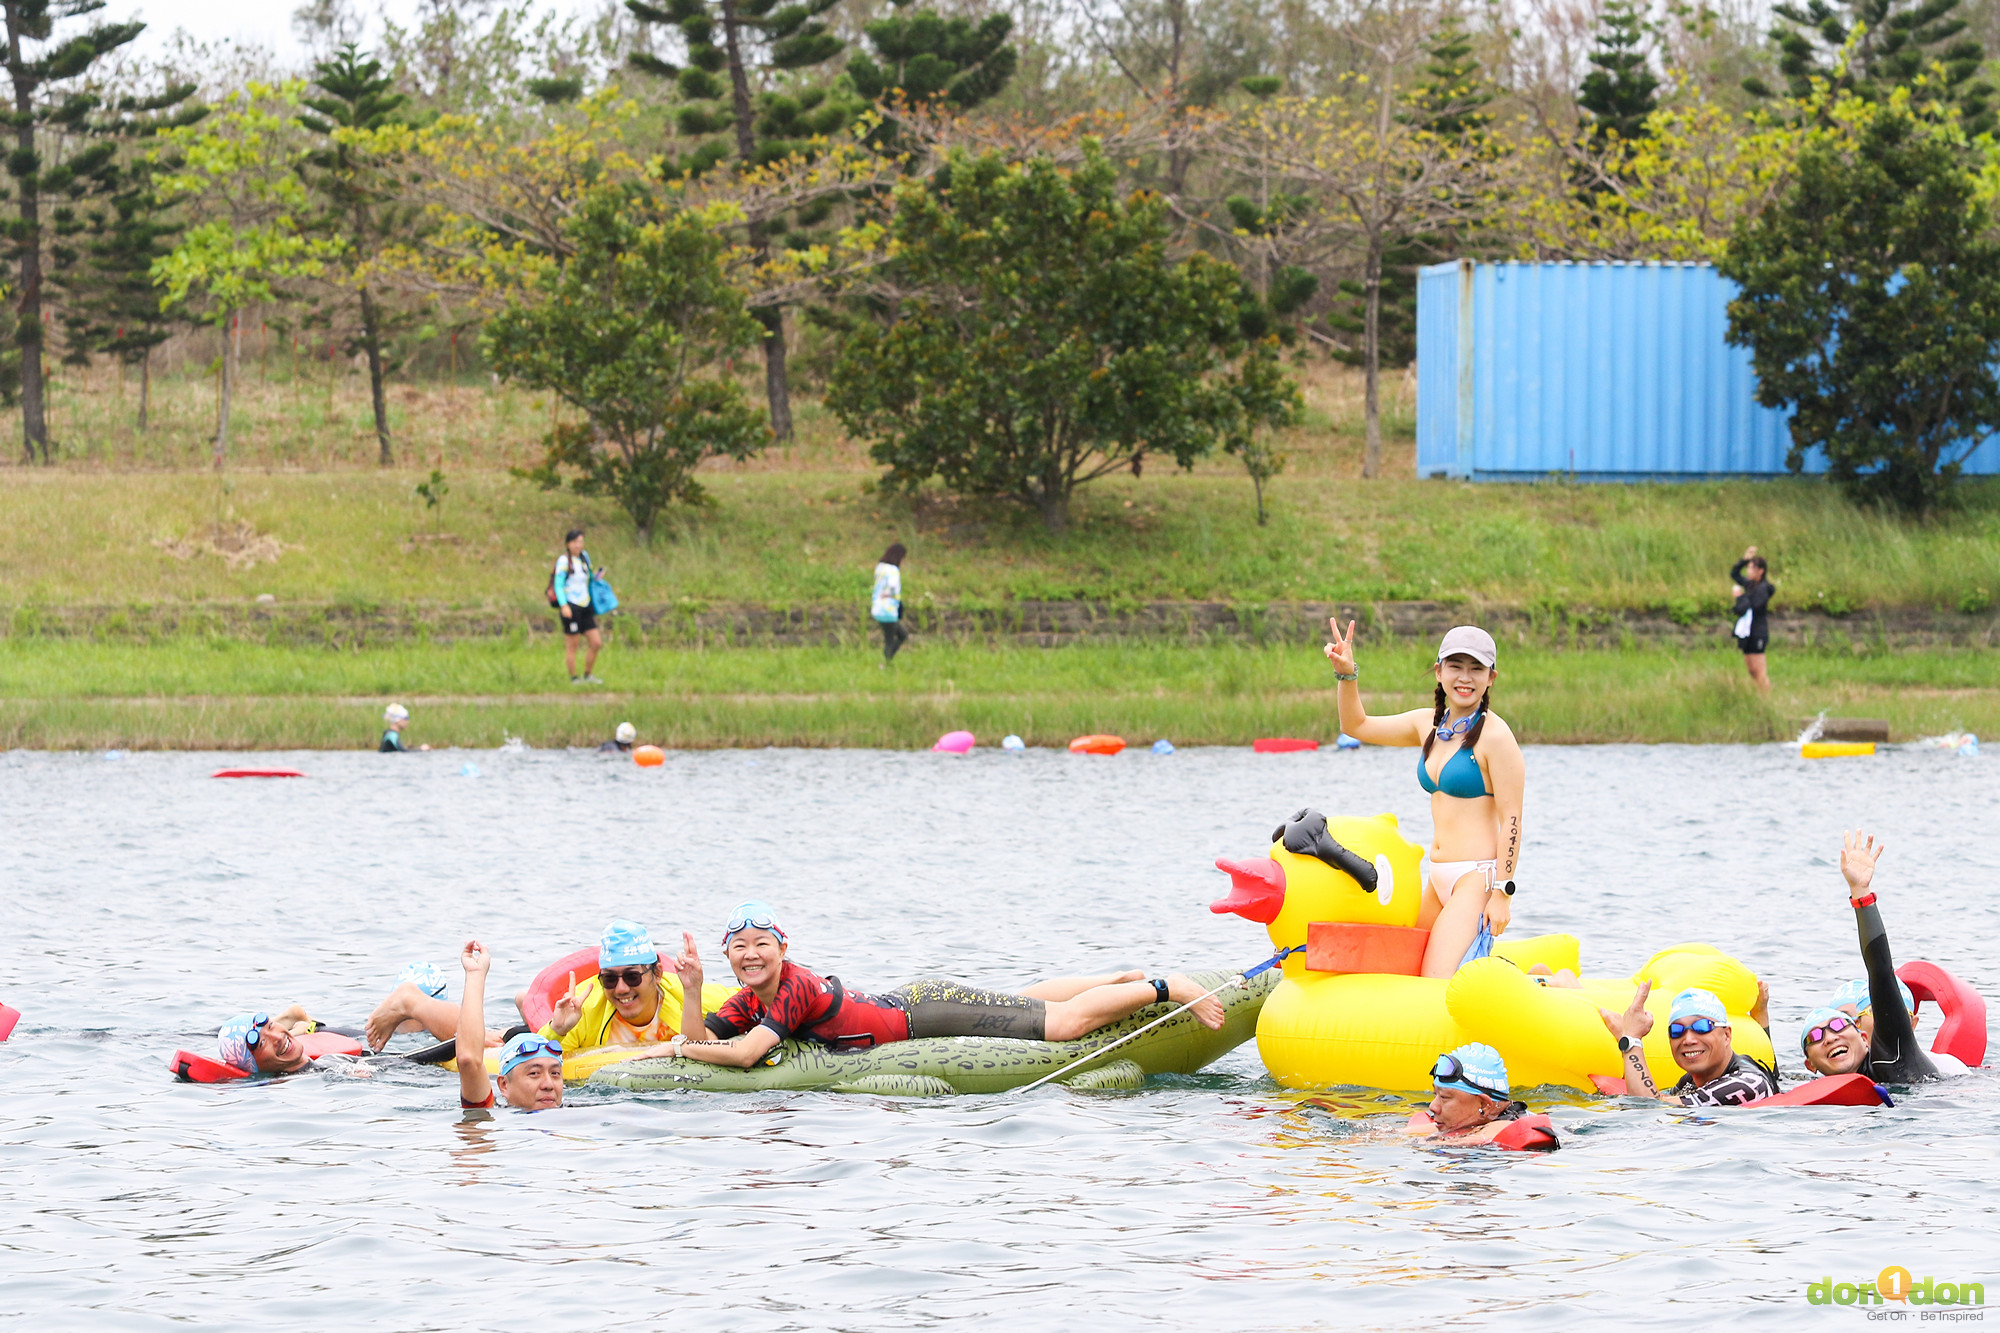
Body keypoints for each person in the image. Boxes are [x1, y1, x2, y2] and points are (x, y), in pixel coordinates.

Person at [658, 901, 1226, 1069]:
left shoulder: (792, 989)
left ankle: (1164, 986)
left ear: (784, 950)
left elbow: (748, 1053)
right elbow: (704, 1036)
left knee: (1062, 1025)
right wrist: (690, 990)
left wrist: (685, 1048)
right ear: (728, 959)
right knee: (1021, 999)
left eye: (763, 944)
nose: (751, 954)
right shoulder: (745, 998)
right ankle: (1114, 978)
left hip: (926, 1013)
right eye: (739, 948)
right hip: (912, 999)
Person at [1324, 622, 1526, 976]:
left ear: (1491, 677)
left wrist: (1502, 894)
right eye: (1456, 666)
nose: (1465, 677)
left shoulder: (1496, 736)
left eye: (1476, 668)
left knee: (1435, 978)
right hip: (1436, 879)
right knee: (1398, 966)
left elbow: (1512, 820)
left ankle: (1542, 988)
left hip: (1476, 878)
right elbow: (1355, 726)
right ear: (1439, 671)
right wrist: (1347, 675)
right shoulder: (1427, 725)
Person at [1799, 831, 1941, 1082]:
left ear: (1864, 1038)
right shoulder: (1816, 1092)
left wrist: (1860, 892)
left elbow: (1881, 972)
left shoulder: (1892, 1057)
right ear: (1810, 1065)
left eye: (1837, 1026)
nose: (1830, 1037)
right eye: (1815, 1037)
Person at [533, 919, 715, 1054]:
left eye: (632, 977)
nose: (621, 989)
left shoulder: (687, 992)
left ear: (657, 974)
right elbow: (535, 1063)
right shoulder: (582, 1008)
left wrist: (693, 992)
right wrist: (557, 1030)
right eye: (610, 979)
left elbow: (742, 999)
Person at [1601, 984, 1778, 1106]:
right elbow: (1658, 1097)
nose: (1688, 1039)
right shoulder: (1691, 1080)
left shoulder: (1746, 1084)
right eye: (1677, 1031)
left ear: (1726, 1035)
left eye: (1701, 1027)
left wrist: (1630, 1040)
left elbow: (1647, 1110)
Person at [457, 940, 564, 1112]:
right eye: (534, 1074)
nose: (548, 1085)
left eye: (555, 1074)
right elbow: (468, 1060)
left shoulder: (578, 1111)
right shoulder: (493, 1115)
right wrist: (475, 975)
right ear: (504, 1085)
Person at [1412, 1043, 1530, 1136]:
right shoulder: (1467, 1124)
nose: (1433, 1107)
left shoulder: (1518, 1130)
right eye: (1435, 1094)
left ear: (1484, 1105)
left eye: (1444, 1097)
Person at [553, 528, 604, 685]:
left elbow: (588, 576)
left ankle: (588, 675)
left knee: (596, 643)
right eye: (575, 542)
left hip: (585, 604)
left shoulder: (584, 558)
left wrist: (597, 576)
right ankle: (574, 678)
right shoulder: (563, 561)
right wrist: (564, 605)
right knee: (572, 645)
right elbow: (558, 584)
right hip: (571, 606)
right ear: (568, 544)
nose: (578, 545)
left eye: (581, 542)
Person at [215, 1006, 329, 1076]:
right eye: (262, 1043)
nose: (278, 1038)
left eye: (271, 1026)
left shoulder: (329, 1059)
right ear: (253, 1066)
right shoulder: (297, 1088)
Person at [1730, 544, 1774, 691]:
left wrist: (1740, 597)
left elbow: (1753, 606)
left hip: (1757, 632)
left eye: (1751, 568)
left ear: (1760, 571)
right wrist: (1744, 559)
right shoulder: (1750, 585)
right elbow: (1734, 574)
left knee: (1760, 672)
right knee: (1752, 671)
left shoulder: (1763, 588)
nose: (1748, 571)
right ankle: (1759, 697)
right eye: (1748, 568)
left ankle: (1766, 701)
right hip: (1747, 633)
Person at [871, 542, 909, 664]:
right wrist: (893, 596)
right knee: (890, 639)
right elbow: (893, 587)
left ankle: (888, 659)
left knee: (901, 634)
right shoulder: (893, 570)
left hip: (877, 607)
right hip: (888, 610)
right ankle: (887, 663)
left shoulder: (880, 568)